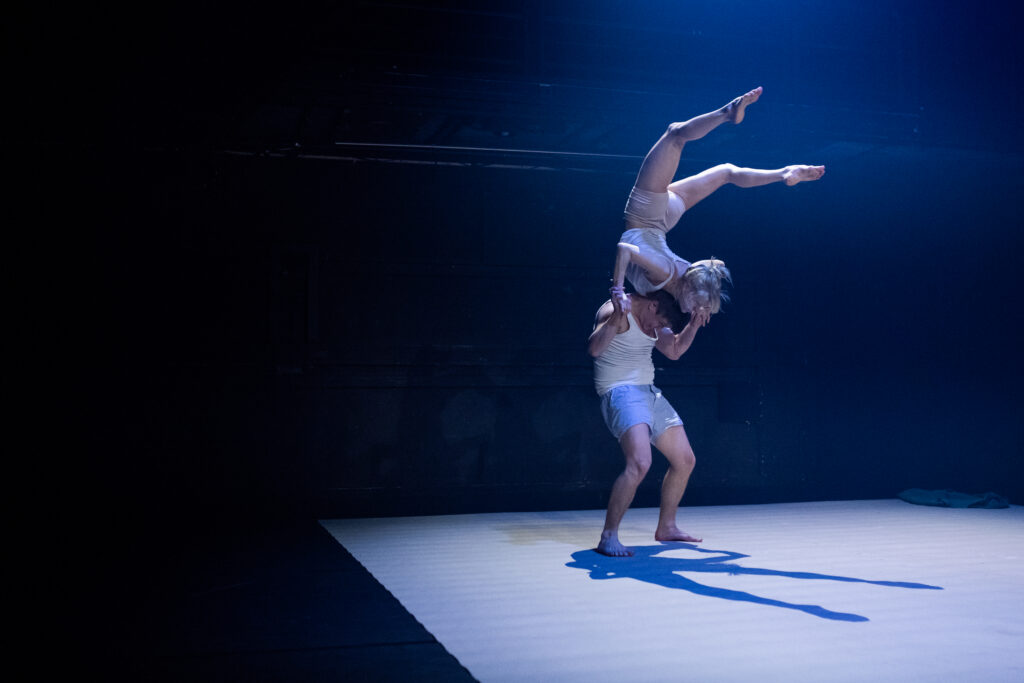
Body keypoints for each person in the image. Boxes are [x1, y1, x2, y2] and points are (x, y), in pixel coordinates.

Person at [612, 86, 824, 318]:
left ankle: (783, 173)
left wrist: (707, 283)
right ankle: (727, 113)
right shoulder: (667, 274)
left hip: (659, 223)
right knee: (674, 135)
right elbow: (624, 249)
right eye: (698, 305)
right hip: (646, 216)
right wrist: (618, 291)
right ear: (689, 290)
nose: (696, 310)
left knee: (726, 173)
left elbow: (718, 264)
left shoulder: (686, 275)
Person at [587, 286, 708, 557]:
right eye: (660, 323)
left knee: (685, 460)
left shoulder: (656, 316)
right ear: (653, 305)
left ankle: (667, 527)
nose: (658, 329)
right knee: (640, 463)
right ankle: (608, 536)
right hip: (619, 391)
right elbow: (594, 349)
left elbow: (674, 350)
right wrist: (616, 318)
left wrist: (694, 324)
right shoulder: (616, 309)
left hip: (648, 392)